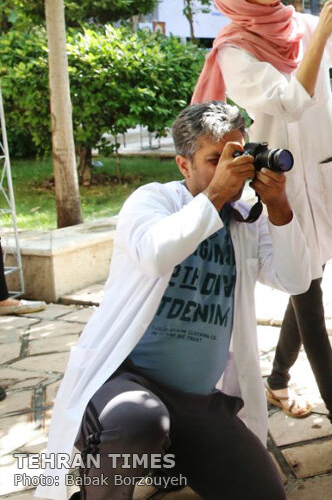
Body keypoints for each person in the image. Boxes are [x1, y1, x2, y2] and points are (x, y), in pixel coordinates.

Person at [38, 102, 312, 500]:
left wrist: (279, 207)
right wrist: (216, 194)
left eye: (238, 155)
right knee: (138, 421)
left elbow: (295, 278)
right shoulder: (153, 200)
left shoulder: (244, 221)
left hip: (197, 400)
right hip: (125, 383)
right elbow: (155, 254)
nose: (231, 169)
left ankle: (168, 460)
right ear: (184, 165)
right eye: (216, 159)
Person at [191, 0, 332, 454]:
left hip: (319, 176)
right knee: (308, 290)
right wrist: (321, 34)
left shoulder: (301, 26)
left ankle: (277, 381)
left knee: (310, 278)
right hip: (273, 185)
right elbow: (288, 101)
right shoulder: (235, 48)